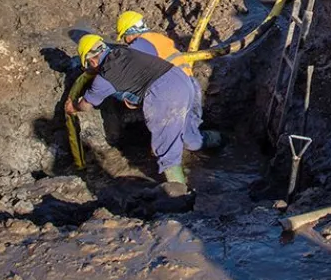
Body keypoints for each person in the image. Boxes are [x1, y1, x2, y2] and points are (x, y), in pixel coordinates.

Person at [65, 35, 219, 186]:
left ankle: (177, 192)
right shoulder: (125, 51)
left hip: (164, 94)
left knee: (166, 147)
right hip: (182, 80)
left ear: (91, 61)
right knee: (187, 136)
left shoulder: (104, 79)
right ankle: (218, 140)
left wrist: (73, 107)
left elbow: (86, 105)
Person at [116, 10, 192, 76]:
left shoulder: (141, 44)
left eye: (124, 36)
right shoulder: (157, 37)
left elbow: (127, 68)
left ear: (130, 32)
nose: (125, 41)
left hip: (174, 83)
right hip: (189, 81)